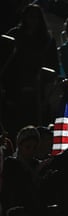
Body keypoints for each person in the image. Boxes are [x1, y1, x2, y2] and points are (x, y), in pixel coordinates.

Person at [2, 4, 59, 141]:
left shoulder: (46, 40)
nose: (32, 20)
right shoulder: (14, 36)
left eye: (35, 17)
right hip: (14, 89)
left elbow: (53, 67)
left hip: (38, 92)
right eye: (29, 16)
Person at [1, 125, 42, 216]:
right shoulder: (11, 164)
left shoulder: (37, 164)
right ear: (19, 145)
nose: (31, 151)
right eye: (28, 147)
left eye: (34, 147)